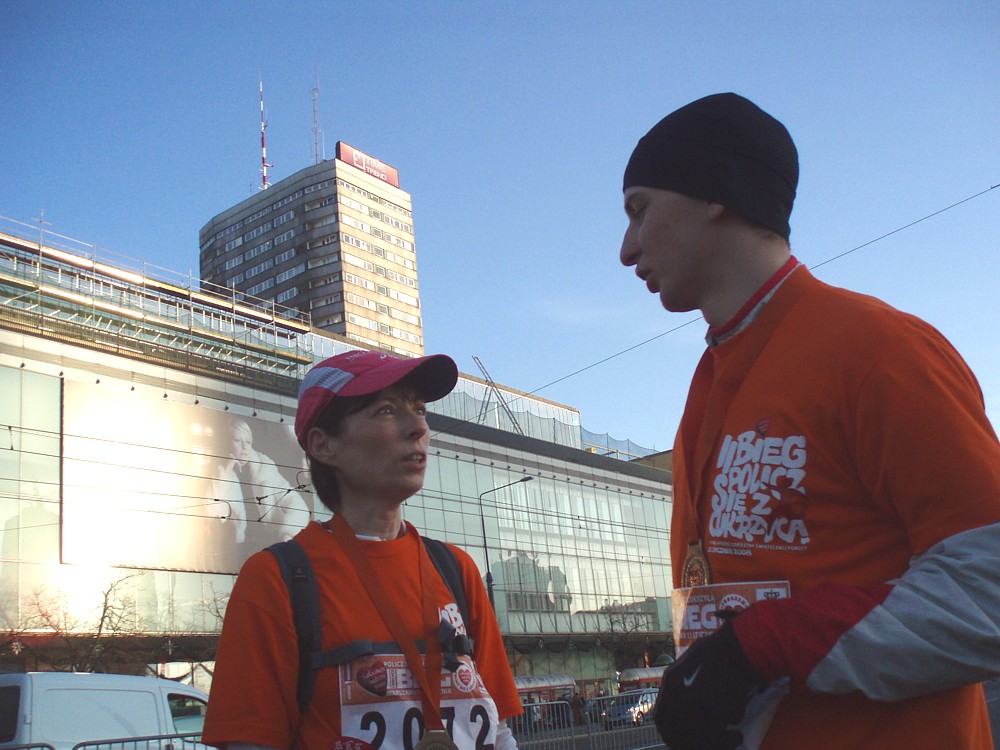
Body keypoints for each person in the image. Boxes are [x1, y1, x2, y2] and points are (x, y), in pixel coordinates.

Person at [619, 92, 1000, 749]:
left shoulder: (879, 348)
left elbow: (988, 593)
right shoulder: (707, 384)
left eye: (639, 209)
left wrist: (760, 647)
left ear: (713, 193)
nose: (627, 250)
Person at [203, 349, 522, 750]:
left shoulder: (456, 569)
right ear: (323, 445)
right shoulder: (275, 579)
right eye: (386, 410)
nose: (418, 428)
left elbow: (499, 731)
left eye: (420, 410)